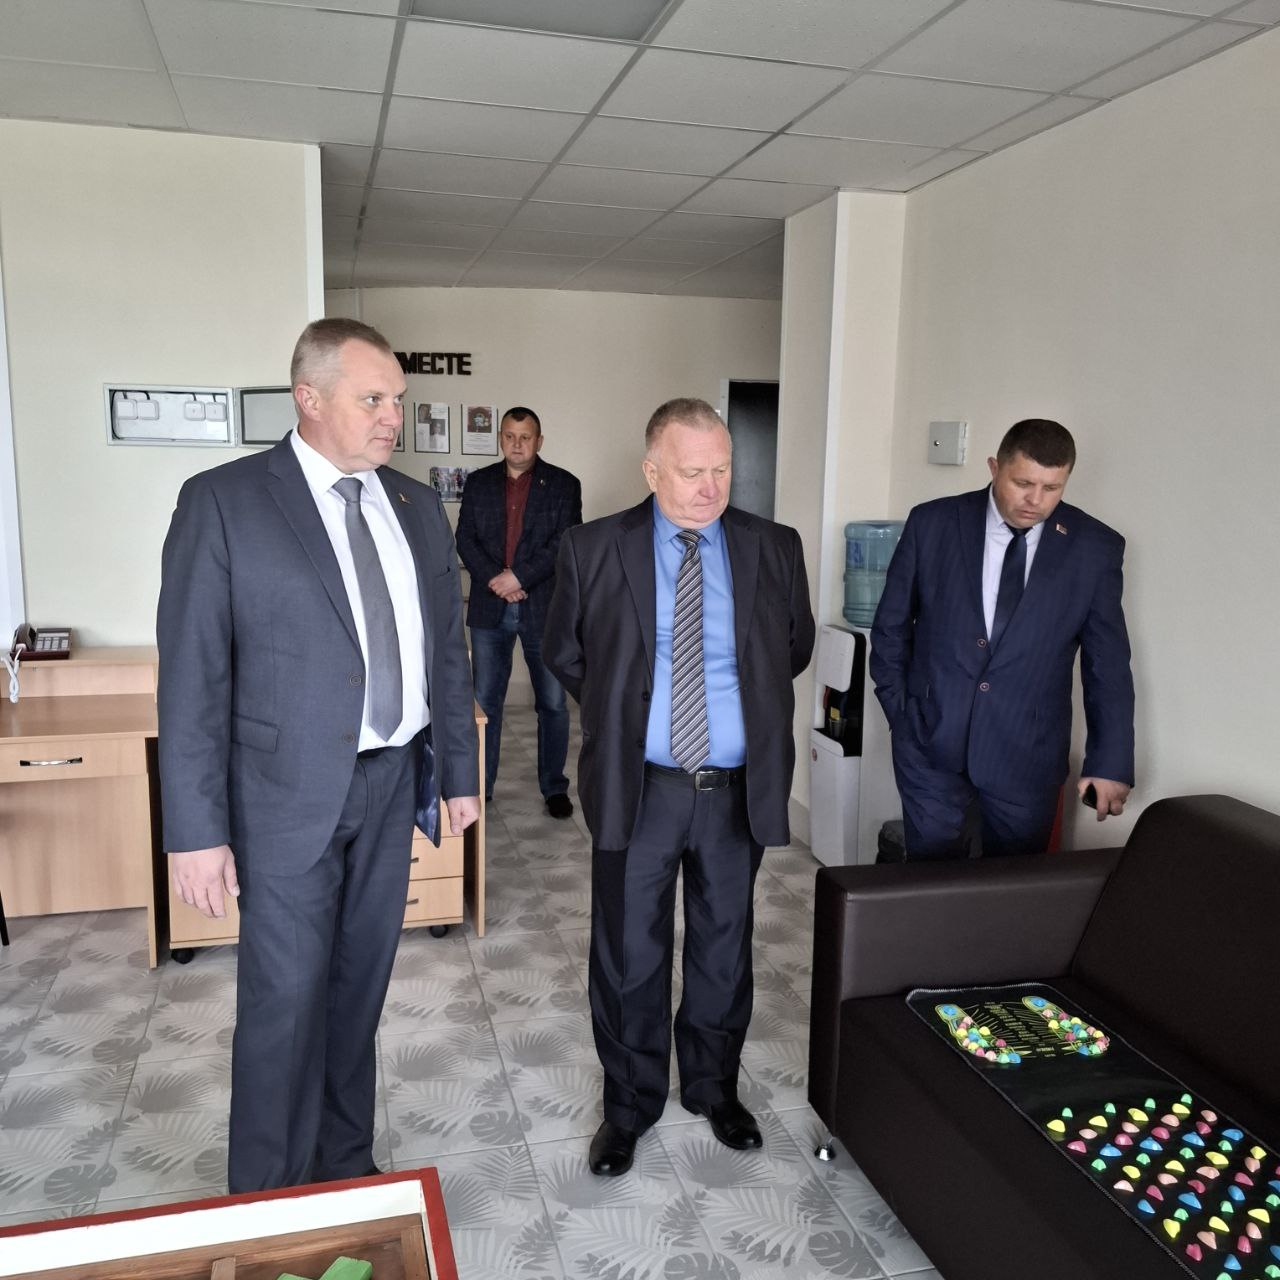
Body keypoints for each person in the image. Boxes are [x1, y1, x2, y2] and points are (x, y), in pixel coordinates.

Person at [156, 318, 479, 1192]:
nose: (392, 418)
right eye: (373, 399)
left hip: (391, 783)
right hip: (283, 795)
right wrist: (194, 831)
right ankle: (269, 1203)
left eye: (397, 401)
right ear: (309, 397)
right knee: (285, 1004)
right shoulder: (224, 502)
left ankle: (345, 1170)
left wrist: (459, 770)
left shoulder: (414, 505)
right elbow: (192, 678)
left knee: (357, 991)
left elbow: (445, 652)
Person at [543, 397, 814, 1177]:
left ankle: (712, 1087)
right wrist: (628, 712)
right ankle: (629, 1107)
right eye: (691, 471)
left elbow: (791, 647)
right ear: (651, 469)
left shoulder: (773, 546)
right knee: (630, 952)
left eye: (721, 469)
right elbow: (566, 652)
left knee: (724, 947)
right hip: (640, 786)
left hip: (734, 788)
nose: (710, 487)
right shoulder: (594, 547)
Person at [869, 418, 1134, 860]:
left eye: (1052, 487)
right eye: (1023, 483)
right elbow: (891, 626)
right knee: (929, 883)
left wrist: (1110, 762)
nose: (1035, 500)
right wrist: (902, 714)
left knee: (1011, 888)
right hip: (930, 742)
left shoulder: (1094, 548)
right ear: (995, 467)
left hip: (1027, 755)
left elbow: (1107, 664)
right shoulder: (933, 523)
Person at [455, 407, 581, 814]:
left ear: (539, 441)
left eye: (525, 437)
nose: (517, 444)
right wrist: (498, 580)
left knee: (553, 703)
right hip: (490, 607)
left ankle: (554, 788)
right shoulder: (478, 483)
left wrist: (519, 578)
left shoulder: (564, 484)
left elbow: (565, 542)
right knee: (485, 703)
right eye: (509, 435)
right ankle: (481, 786)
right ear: (500, 439)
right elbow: (465, 538)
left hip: (543, 608)